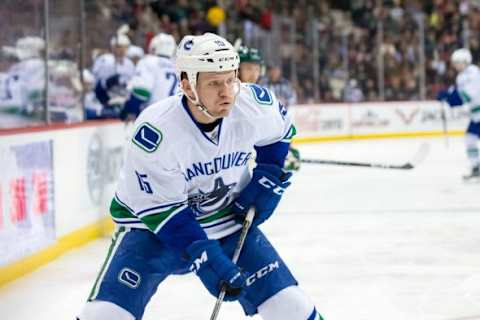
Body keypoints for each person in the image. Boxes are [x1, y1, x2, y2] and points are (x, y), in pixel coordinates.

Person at [77, 33, 324, 320]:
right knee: (105, 315)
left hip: (226, 221)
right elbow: (163, 212)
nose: (227, 92)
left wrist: (267, 174)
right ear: (188, 86)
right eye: (214, 83)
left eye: (231, 79)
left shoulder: (252, 103)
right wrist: (206, 258)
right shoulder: (156, 132)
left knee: (292, 306)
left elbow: (280, 133)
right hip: (151, 228)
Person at [437, 48, 480, 180]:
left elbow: (466, 96)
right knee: (470, 139)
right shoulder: (461, 76)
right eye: (454, 62)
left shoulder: (473, 73)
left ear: (465, 61)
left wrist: (449, 98)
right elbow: (459, 94)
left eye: (458, 62)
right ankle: (476, 167)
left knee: (470, 139)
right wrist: (448, 95)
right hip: (476, 115)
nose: (455, 65)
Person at [120, 32, 177, 121]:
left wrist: (127, 111)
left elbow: (141, 91)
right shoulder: (177, 66)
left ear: (153, 47)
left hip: (153, 118)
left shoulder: (149, 61)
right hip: (174, 118)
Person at [91, 34, 135, 119]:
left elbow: (133, 83)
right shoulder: (104, 60)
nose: (121, 50)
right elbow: (96, 85)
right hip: (105, 102)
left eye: (124, 47)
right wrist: (107, 83)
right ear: (113, 47)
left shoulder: (129, 64)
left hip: (123, 101)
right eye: (118, 47)